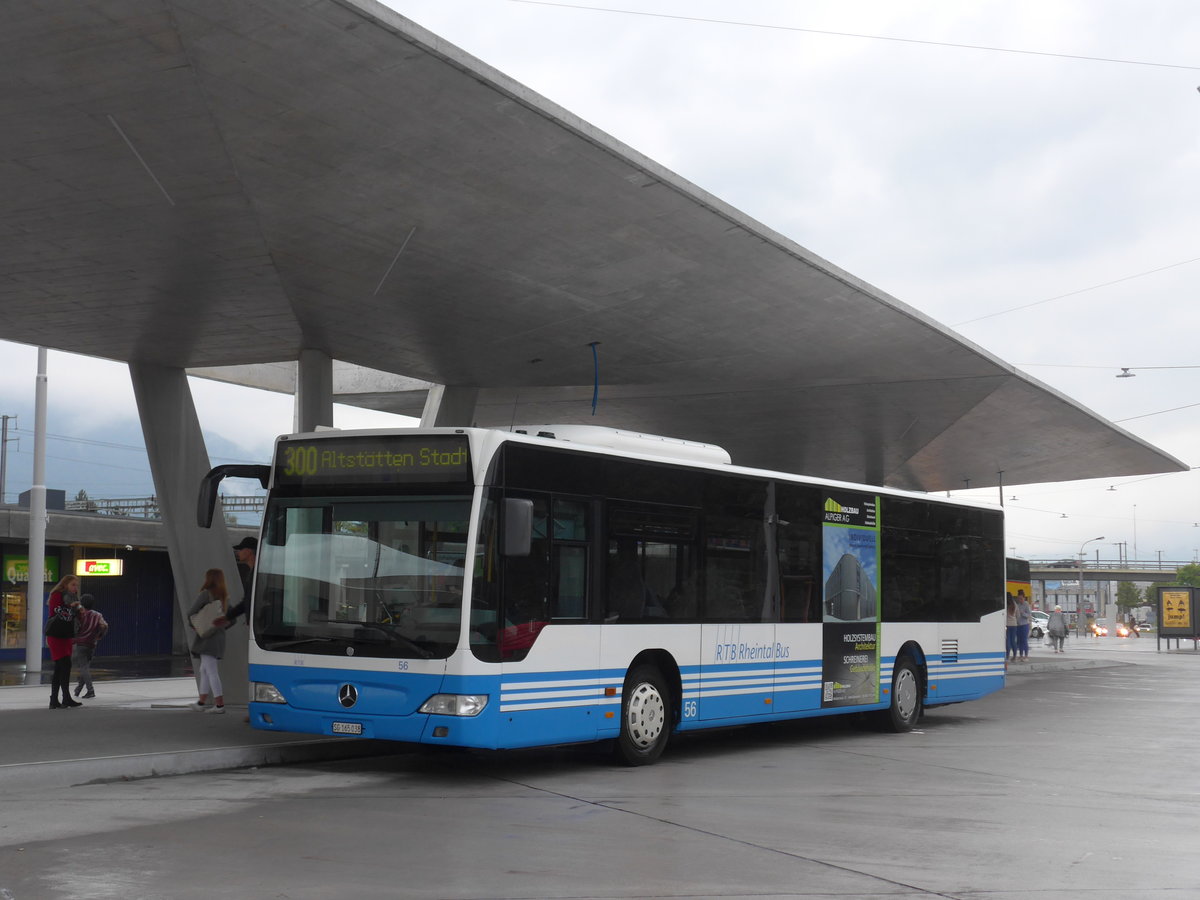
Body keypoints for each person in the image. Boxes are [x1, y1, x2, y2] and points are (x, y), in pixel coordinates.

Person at [188, 568, 229, 714]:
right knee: (204, 670)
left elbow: (191, 612)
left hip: (206, 639)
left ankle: (219, 705)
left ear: (209, 579)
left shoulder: (206, 594)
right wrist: (217, 626)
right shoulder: (224, 597)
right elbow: (232, 620)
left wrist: (197, 626)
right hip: (218, 638)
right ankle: (201, 702)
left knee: (211, 671)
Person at [46, 575, 83, 709]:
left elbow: (76, 616)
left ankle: (54, 700)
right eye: (73, 585)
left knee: (59, 668)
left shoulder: (74, 599)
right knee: (65, 665)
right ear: (65, 584)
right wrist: (71, 607)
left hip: (66, 635)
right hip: (56, 635)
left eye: (76, 585)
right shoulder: (57, 595)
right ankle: (65, 697)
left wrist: (79, 610)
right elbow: (57, 611)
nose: (75, 588)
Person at [72, 594, 109, 699]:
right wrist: (99, 635)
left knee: (83, 668)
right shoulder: (97, 615)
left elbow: (74, 624)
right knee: (86, 667)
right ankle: (78, 690)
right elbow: (104, 625)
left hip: (80, 643)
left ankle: (90, 690)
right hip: (92, 644)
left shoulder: (80, 614)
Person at [225, 536, 257, 627]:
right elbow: (247, 602)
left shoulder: (256, 575)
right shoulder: (253, 573)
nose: (238, 552)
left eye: (241, 549)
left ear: (248, 551)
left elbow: (248, 601)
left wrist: (226, 617)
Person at [1014, 590, 1033, 662]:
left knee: (1024, 640)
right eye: (1019, 598)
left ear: (1024, 598)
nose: (1020, 600)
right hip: (1018, 625)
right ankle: (1021, 655)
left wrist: (1023, 613)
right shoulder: (1017, 605)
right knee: (1019, 640)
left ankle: (1026, 655)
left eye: (1021, 598)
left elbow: (1029, 615)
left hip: (1025, 625)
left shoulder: (1026, 604)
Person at [1005, 594, 1019, 666]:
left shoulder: (1006, 604)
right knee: (1013, 641)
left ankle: (1007, 656)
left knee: (1008, 641)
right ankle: (1014, 656)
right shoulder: (1015, 605)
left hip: (1007, 625)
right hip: (1014, 624)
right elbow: (1018, 615)